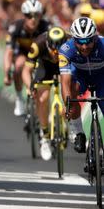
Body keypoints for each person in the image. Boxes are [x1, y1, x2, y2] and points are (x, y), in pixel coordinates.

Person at [22, 26, 68, 161]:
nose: (55, 54)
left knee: (69, 92)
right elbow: (26, 70)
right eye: (53, 50)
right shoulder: (38, 45)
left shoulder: (71, 42)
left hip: (64, 66)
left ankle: (67, 124)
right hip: (44, 67)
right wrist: (30, 87)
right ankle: (45, 135)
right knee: (42, 98)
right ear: (47, 45)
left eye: (58, 51)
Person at [60, 17, 104, 153]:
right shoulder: (66, 49)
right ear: (74, 40)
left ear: (95, 38)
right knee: (72, 91)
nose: (84, 47)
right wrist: (68, 104)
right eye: (80, 42)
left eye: (88, 41)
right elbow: (65, 81)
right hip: (80, 77)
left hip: (101, 77)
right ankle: (78, 132)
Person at [4, 0, 50, 116]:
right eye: (29, 16)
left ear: (41, 16)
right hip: (22, 52)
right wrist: (6, 73)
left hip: (40, 54)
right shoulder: (15, 27)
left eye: (37, 15)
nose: (33, 19)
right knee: (19, 64)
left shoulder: (46, 27)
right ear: (24, 16)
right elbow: (9, 52)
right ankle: (19, 98)